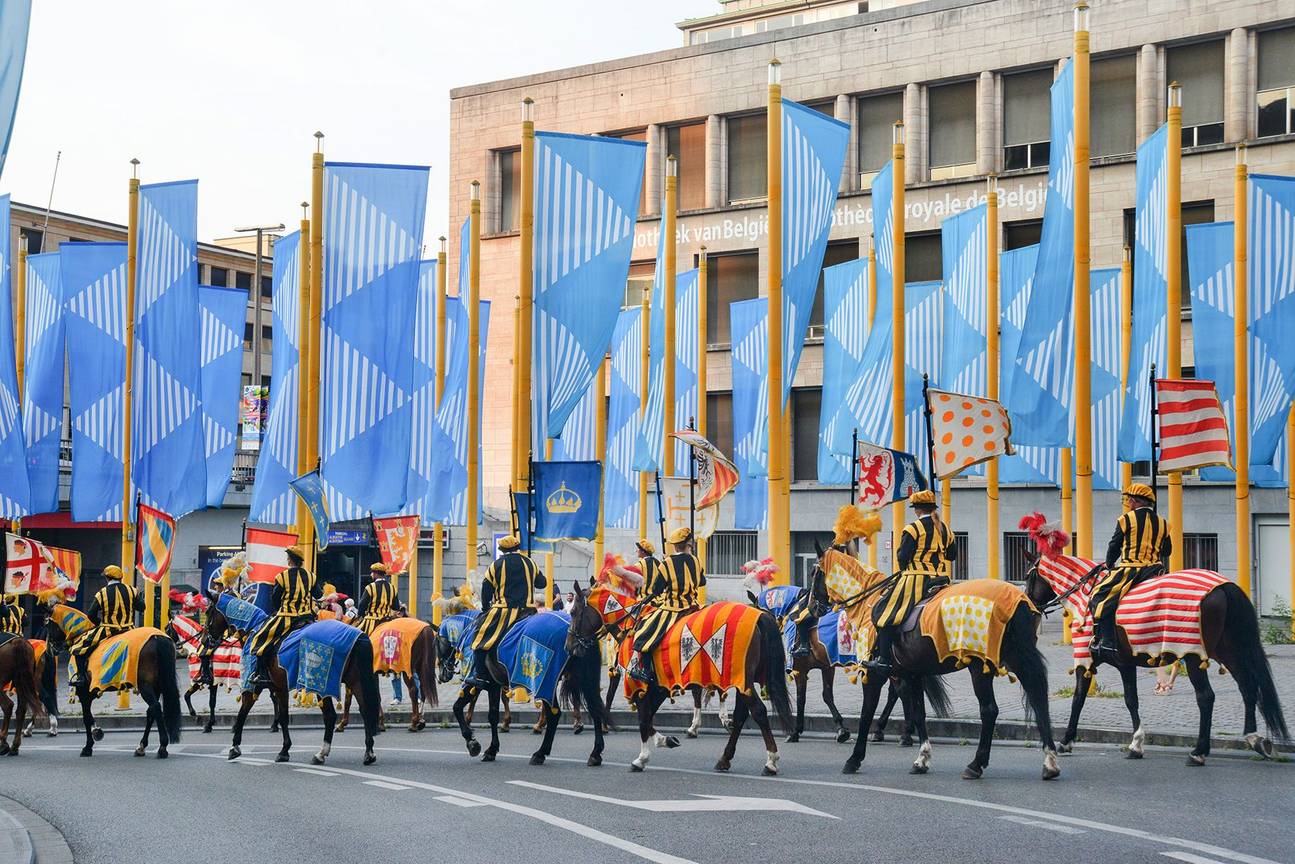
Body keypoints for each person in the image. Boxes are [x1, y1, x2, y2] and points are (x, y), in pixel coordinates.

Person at [867, 490, 955, 673]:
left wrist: (907, 568)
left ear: (917, 509)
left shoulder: (913, 528)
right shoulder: (945, 529)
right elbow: (952, 555)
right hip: (942, 578)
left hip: (917, 578)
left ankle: (883, 660)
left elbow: (902, 556)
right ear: (932, 508)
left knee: (884, 611)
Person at [1088, 483, 1171, 660]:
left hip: (1131, 569)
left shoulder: (1126, 519)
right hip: (1156, 570)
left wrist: (1109, 564)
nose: (1128, 503)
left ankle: (1107, 641)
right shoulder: (1164, 523)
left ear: (1134, 501)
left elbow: (1114, 546)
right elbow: (1167, 551)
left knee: (1099, 597)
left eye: (1129, 500)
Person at [786, 505, 878, 657]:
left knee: (802, 615)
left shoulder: (839, 551)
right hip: (836, 589)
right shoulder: (839, 550)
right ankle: (804, 645)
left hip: (835, 592)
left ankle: (804, 645)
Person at [630, 527, 705, 686]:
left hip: (673, 609)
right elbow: (702, 582)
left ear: (675, 546)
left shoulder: (667, 563)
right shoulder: (696, 561)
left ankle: (645, 670)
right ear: (689, 544)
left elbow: (657, 590)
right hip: (694, 606)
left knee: (643, 632)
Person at [468, 535, 543, 685]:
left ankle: (480, 675)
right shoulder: (530, 563)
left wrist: (485, 607)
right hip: (529, 611)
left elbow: (486, 590)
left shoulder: (495, 565)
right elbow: (542, 583)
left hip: (503, 612)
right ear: (517, 548)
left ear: (501, 550)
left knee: (479, 637)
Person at [245, 546, 322, 687]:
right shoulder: (311, 576)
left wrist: (280, 608)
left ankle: (260, 674)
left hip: (287, 617)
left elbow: (275, 598)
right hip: (307, 618)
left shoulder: (281, 577)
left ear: (290, 560)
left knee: (260, 638)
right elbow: (318, 595)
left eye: (288, 558)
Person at [68, 565, 144, 684]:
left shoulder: (102, 593)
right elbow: (142, 607)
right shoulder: (132, 590)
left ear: (107, 578)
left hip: (108, 629)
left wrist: (99, 622)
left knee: (77, 648)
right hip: (129, 629)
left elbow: (91, 614)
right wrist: (138, 597)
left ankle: (81, 677)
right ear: (120, 578)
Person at [356, 562, 398, 636]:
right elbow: (396, 607)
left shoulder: (370, 587)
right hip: (387, 622)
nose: (371, 575)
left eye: (372, 573)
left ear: (375, 574)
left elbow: (362, 605)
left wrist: (360, 616)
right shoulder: (393, 588)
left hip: (371, 621)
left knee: (356, 636)